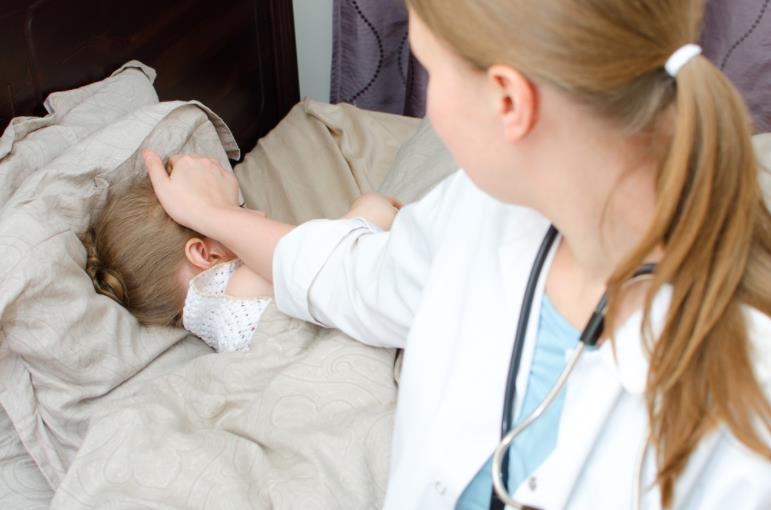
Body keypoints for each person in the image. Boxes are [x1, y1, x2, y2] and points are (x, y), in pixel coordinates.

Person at [144, 0, 771, 508]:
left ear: (508, 102)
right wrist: (215, 215)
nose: (432, 111)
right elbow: (349, 276)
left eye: (433, 70)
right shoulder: (475, 213)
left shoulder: (746, 421)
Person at [83, 176, 400, 352]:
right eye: (237, 211)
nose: (259, 217)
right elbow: (332, 268)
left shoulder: (219, 319)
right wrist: (367, 210)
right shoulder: (243, 285)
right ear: (207, 256)